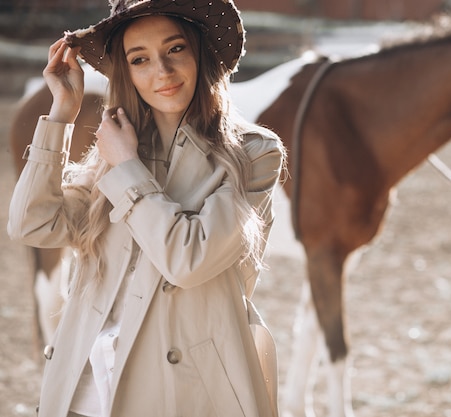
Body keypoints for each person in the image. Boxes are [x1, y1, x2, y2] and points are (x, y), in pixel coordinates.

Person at [7, 1, 285, 416]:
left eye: (175, 49)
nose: (162, 71)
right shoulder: (116, 149)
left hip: (187, 389)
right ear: (128, 72)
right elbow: (32, 224)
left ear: (200, 52)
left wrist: (128, 169)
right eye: (140, 59)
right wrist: (61, 114)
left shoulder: (254, 154)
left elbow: (190, 260)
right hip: (86, 386)